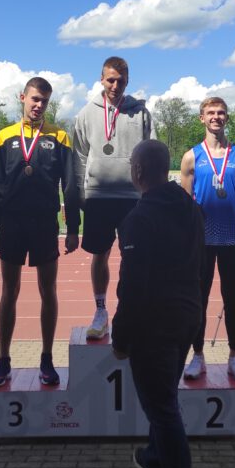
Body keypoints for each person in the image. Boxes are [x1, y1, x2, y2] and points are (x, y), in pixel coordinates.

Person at [111, 139, 204, 468]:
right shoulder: (191, 208)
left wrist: (120, 336)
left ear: (137, 171)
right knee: (165, 397)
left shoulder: (138, 218)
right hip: (187, 316)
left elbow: (133, 286)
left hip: (155, 324)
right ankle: (153, 460)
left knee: (163, 410)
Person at [0, 76, 80, 388]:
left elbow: (70, 185)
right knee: (9, 291)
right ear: (22, 97)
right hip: (11, 223)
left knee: (48, 290)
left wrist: (73, 228)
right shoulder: (5, 136)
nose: (39, 105)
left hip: (44, 224)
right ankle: (3, 360)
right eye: (35, 99)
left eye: (44, 101)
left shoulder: (60, 137)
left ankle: (47, 358)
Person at [73, 56, 156, 340]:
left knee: (134, 256)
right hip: (98, 196)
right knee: (100, 255)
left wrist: (150, 192)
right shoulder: (86, 113)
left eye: (121, 81)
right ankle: (100, 311)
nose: (115, 86)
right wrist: (80, 193)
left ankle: (130, 311)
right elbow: (79, 157)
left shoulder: (140, 113)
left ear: (128, 81)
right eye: (110, 80)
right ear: (101, 79)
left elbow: (152, 152)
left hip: (133, 196)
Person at [180, 96, 235, 381]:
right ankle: (197, 356)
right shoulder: (191, 156)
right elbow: (187, 202)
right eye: (210, 112)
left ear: (227, 118)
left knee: (233, 300)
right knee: (198, 299)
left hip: (233, 237)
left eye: (221, 112)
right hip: (202, 241)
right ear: (202, 118)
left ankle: (234, 357)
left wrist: (228, 215)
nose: (216, 117)